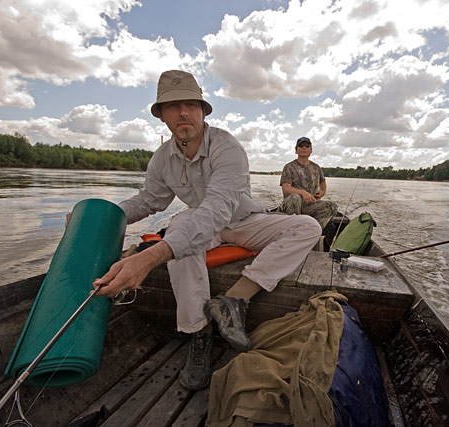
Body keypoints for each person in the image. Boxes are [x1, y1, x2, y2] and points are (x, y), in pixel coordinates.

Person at [88, 70, 321, 390]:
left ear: (202, 111)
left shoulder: (227, 148)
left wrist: (147, 259)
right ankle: (200, 334)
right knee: (181, 235)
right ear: (162, 117)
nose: (183, 112)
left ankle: (235, 299)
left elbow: (218, 209)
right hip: (200, 221)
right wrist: (98, 218)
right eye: (173, 106)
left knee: (308, 226)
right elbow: (149, 201)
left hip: (242, 220)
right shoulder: (161, 160)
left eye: (190, 104)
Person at [279, 137, 338, 229]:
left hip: (310, 206)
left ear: (311, 150)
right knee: (295, 198)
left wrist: (322, 192)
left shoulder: (316, 167)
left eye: (307, 146)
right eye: (301, 146)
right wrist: (303, 193)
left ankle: (312, 230)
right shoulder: (289, 167)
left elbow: (323, 183)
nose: (304, 148)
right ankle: (293, 230)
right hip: (292, 204)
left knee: (332, 206)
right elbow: (285, 188)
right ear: (296, 150)